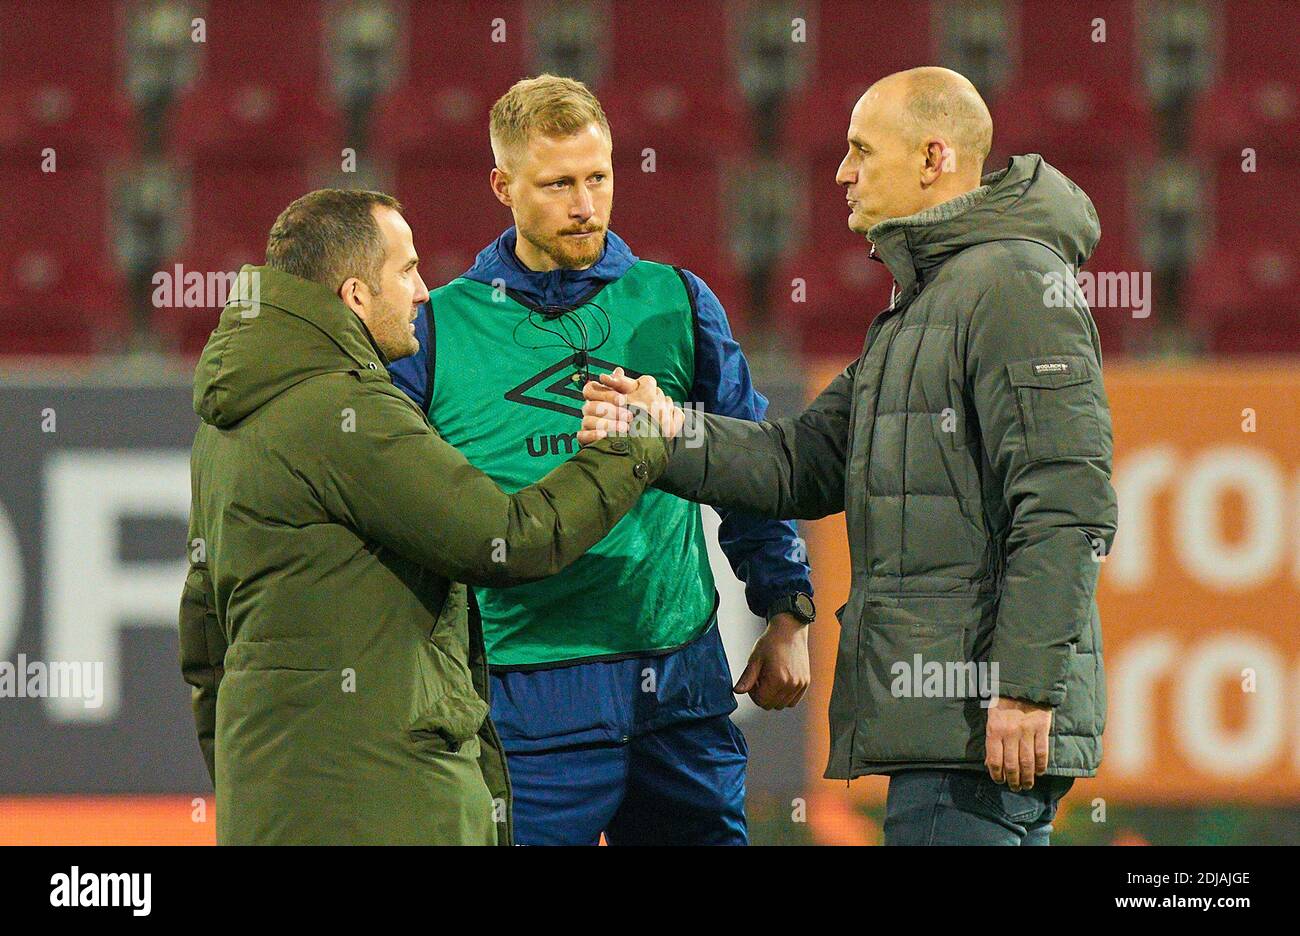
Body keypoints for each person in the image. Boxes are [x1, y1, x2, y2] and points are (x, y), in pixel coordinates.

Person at [583, 67, 1118, 846]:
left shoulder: (1013, 284)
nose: (841, 172)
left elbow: (1069, 504)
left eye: (862, 150)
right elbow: (800, 462)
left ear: (934, 158)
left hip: (975, 728)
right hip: (949, 730)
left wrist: (1027, 691)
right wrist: (664, 431)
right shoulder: (930, 303)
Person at [389, 75, 813, 845]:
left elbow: (750, 465)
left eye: (598, 177)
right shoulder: (438, 329)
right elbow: (395, 506)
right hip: (523, 695)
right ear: (502, 186)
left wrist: (786, 610)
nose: (585, 204)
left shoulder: (676, 301)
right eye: (557, 184)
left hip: (678, 687)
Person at [179, 188, 677, 845]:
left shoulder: (228, 420)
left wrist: (270, 784)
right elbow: (509, 539)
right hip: (381, 807)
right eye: (407, 270)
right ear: (355, 294)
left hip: (275, 804)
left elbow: (205, 639)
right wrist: (632, 446)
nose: (423, 292)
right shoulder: (343, 414)